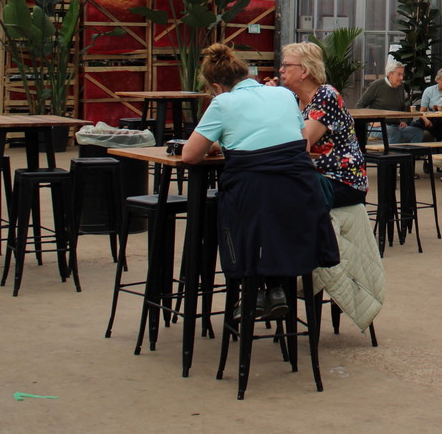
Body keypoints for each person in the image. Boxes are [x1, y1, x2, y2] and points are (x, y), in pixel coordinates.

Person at [182, 44, 338, 321]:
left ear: (217, 86)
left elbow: (190, 155)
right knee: (268, 210)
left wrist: (221, 144)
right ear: (246, 74)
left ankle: (249, 289)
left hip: (251, 195)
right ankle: (275, 288)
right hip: (300, 196)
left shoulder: (222, 103)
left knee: (243, 210)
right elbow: (302, 144)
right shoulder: (283, 94)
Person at [277, 42, 368, 208]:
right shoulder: (293, 99)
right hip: (312, 175)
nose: (281, 70)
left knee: (277, 190)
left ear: (305, 71)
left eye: (287, 65)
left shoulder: (326, 94)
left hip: (340, 180)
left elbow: (301, 142)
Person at [355, 59, 425, 146]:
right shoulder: (377, 85)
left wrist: (404, 121)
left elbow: (403, 108)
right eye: (399, 74)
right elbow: (359, 106)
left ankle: (412, 154)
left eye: (402, 75)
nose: (402, 78)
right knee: (393, 132)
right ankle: (392, 154)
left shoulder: (400, 87)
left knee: (417, 132)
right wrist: (370, 122)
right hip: (377, 126)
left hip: (396, 125)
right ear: (390, 74)